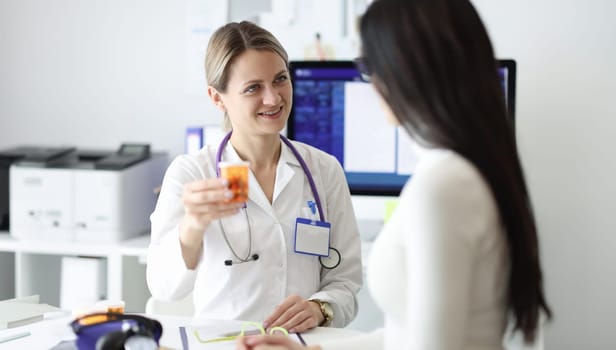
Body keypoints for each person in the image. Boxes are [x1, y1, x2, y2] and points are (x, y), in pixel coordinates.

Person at [237, 0, 552, 349]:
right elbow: (409, 335)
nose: (372, 84)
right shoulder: (465, 172)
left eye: (370, 66)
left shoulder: (442, 187)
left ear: (405, 70)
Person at [146, 21, 363, 333]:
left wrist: (320, 309)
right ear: (217, 98)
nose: (273, 98)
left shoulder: (323, 170)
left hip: (299, 343)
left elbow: (346, 282)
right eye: (253, 88)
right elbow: (164, 288)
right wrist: (192, 227)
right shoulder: (192, 173)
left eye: (280, 80)